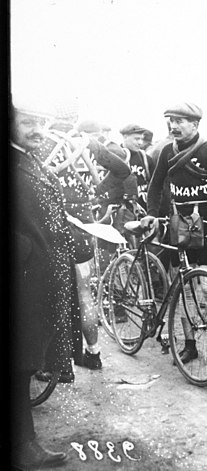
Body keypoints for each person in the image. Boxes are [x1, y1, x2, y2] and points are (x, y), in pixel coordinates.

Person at [143, 102, 207, 366]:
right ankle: (189, 345)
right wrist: (152, 212)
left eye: (180, 121)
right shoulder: (166, 152)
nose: (173, 126)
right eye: (171, 121)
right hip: (180, 227)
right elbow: (155, 187)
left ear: (195, 124)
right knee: (184, 288)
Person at [36, 109, 132, 372]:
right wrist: (95, 193)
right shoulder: (87, 142)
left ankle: (49, 362)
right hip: (84, 223)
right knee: (84, 293)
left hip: (51, 221)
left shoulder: (39, 140)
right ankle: (94, 353)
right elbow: (123, 170)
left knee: (46, 291)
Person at [12, 101, 75, 468]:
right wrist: (28, 252)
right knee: (19, 365)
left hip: (39, 278)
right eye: (28, 122)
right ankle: (23, 444)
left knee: (25, 361)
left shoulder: (28, 159)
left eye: (42, 122)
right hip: (24, 278)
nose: (38, 129)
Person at [120, 123, 155, 211]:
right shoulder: (116, 156)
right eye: (136, 139)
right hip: (123, 210)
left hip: (144, 210)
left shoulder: (145, 159)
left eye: (141, 139)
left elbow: (156, 186)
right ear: (125, 137)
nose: (140, 143)